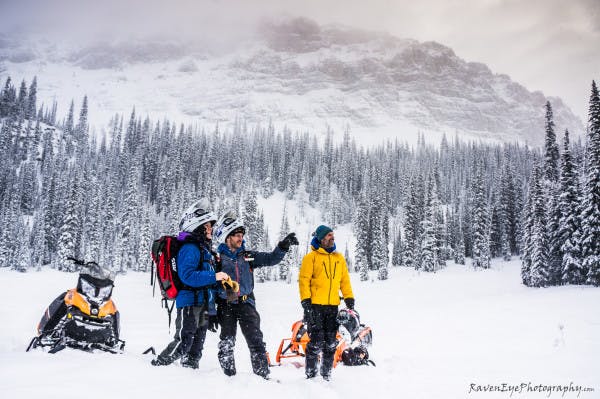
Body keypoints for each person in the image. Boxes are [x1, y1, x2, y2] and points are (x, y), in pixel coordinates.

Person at [213, 211, 298, 379]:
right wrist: (210, 311)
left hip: (246, 304)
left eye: (241, 235)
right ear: (227, 237)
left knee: (256, 342)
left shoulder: (248, 256)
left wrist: (283, 247)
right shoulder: (217, 259)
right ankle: (228, 379)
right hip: (226, 304)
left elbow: (271, 259)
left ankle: (262, 377)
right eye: (236, 235)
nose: (240, 238)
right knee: (226, 343)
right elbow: (209, 285)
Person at [151, 199, 229, 369]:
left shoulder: (205, 250)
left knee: (196, 349)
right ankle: (157, 367)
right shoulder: (190, 248)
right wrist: (214, 276)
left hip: (203, 304)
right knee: (183, 342)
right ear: (198, 226)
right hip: (189, 303)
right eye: (208, 226)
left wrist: (220, 285)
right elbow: (188, 276)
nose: (211, 229)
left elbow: (207, 280)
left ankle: (189, 376)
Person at [299, 224, 354, 380]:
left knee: (330, 342)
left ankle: (326, 375)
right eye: (329, 235)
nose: (332, 237)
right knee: (315, 342)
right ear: (321, 238)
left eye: (332, 235)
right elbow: (304, 281)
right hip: (315, 306)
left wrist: (349, 297)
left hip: (332, 306)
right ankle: (310, 375)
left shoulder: (339, 258)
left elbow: (344, 280)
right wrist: (305, 301)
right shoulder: (311, 258)